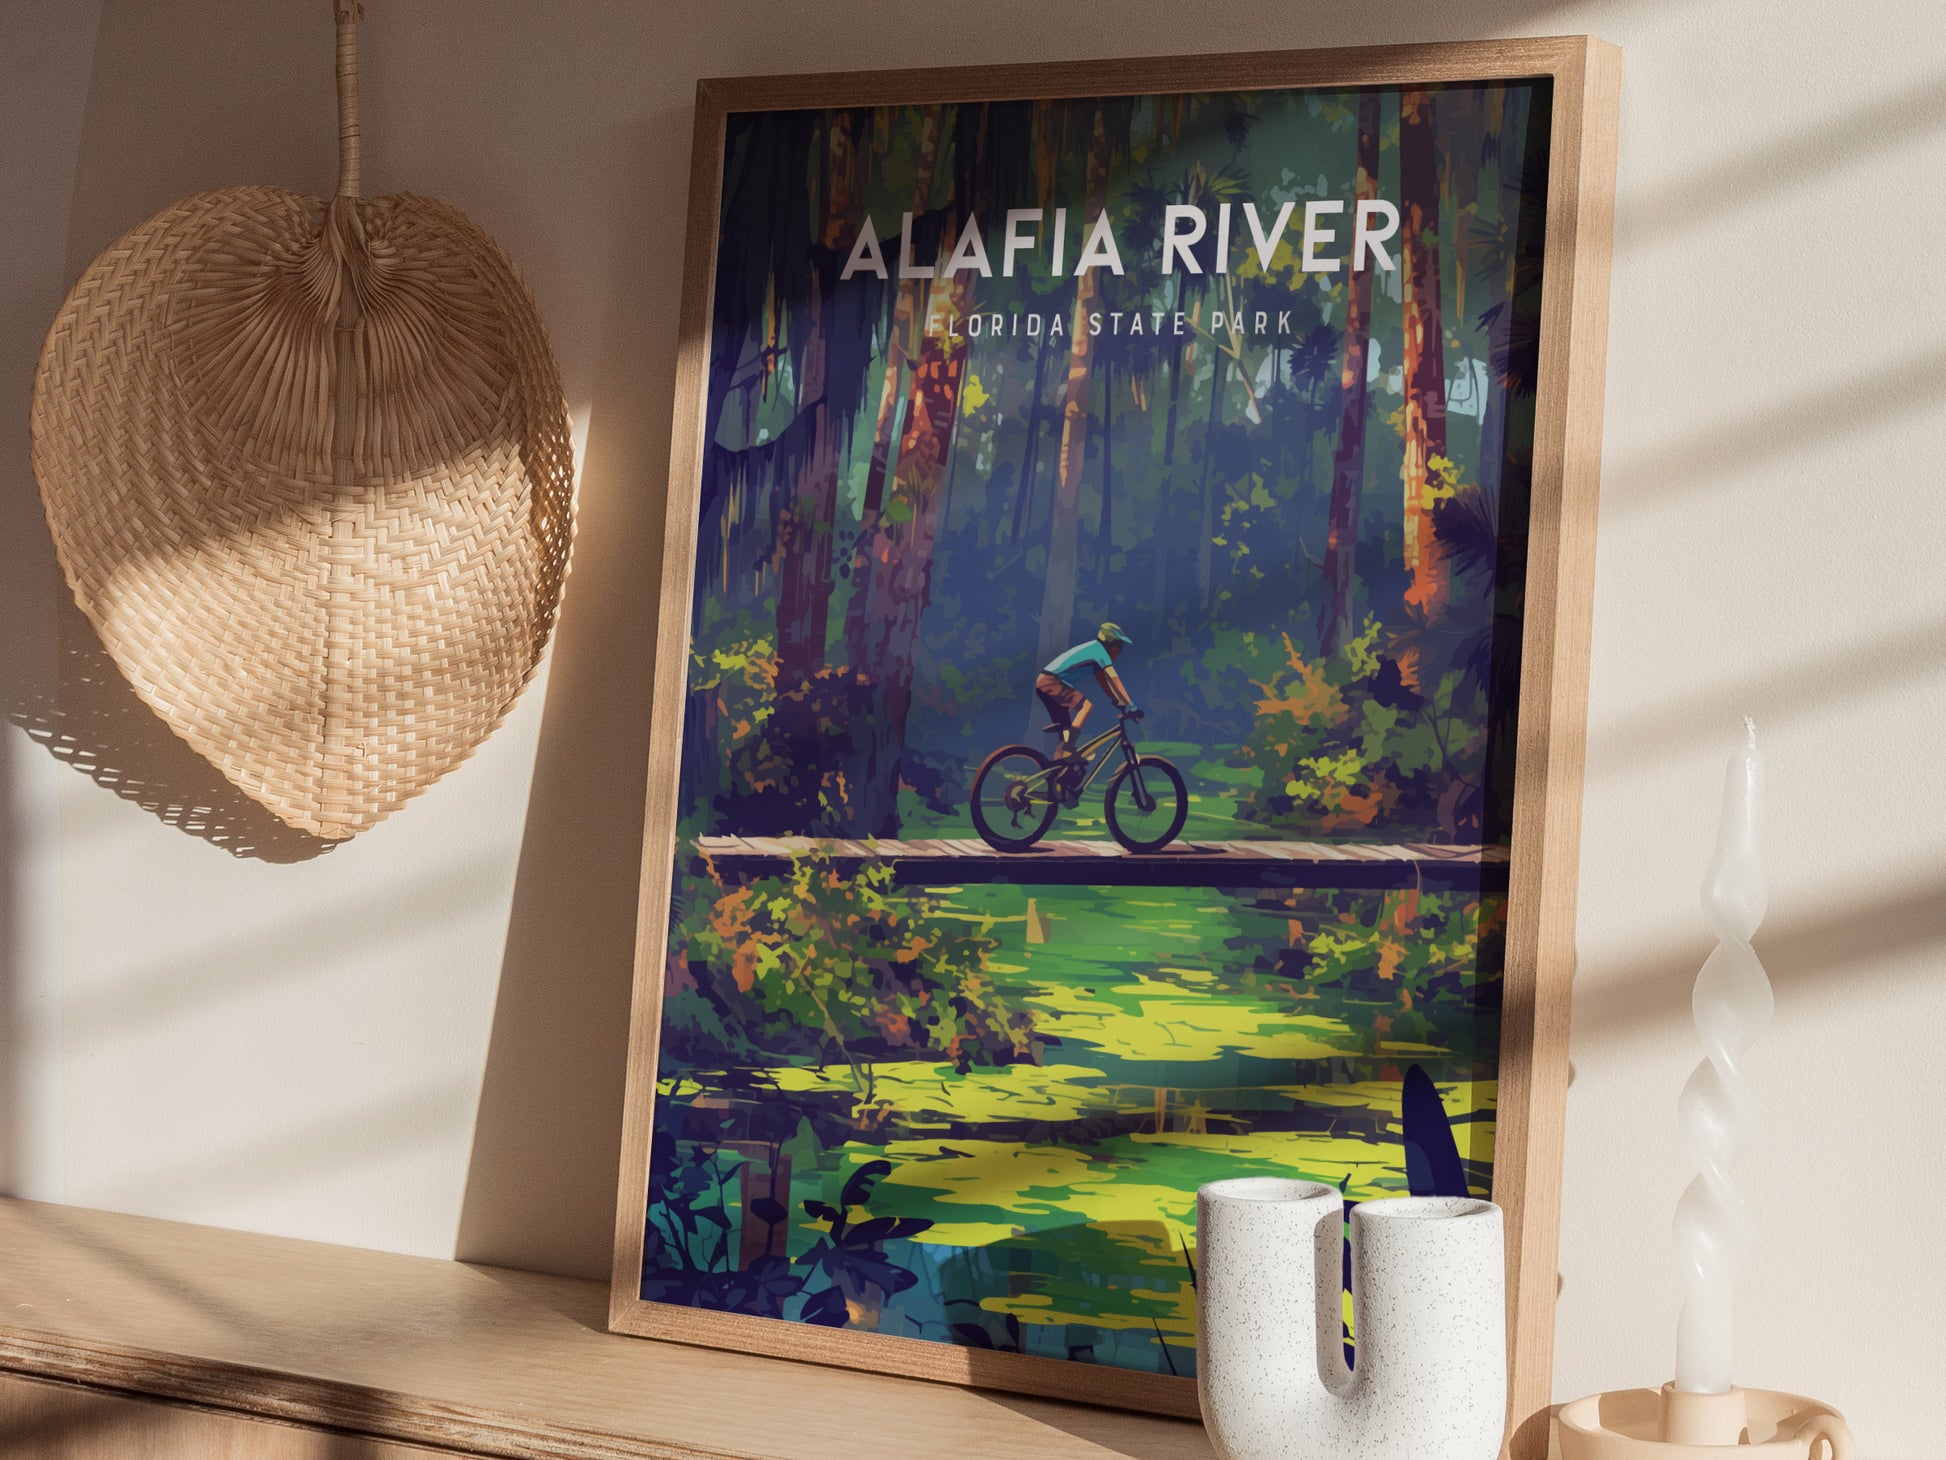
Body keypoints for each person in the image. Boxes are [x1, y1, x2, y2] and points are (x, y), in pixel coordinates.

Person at [1036, 624, 1142, 789]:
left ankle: (1058, 786)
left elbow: (1104, 682)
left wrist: (1116, 701)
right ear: (1110, 644)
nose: (1120, 652)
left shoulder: (1095, 656)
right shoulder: (1099, 651)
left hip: (1045, 682)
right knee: (1086, 706)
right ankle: (1068, 749)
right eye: (1119, 646)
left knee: (1066, 734)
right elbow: (1114, 680)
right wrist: (1132, 706)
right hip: (1052, 681)